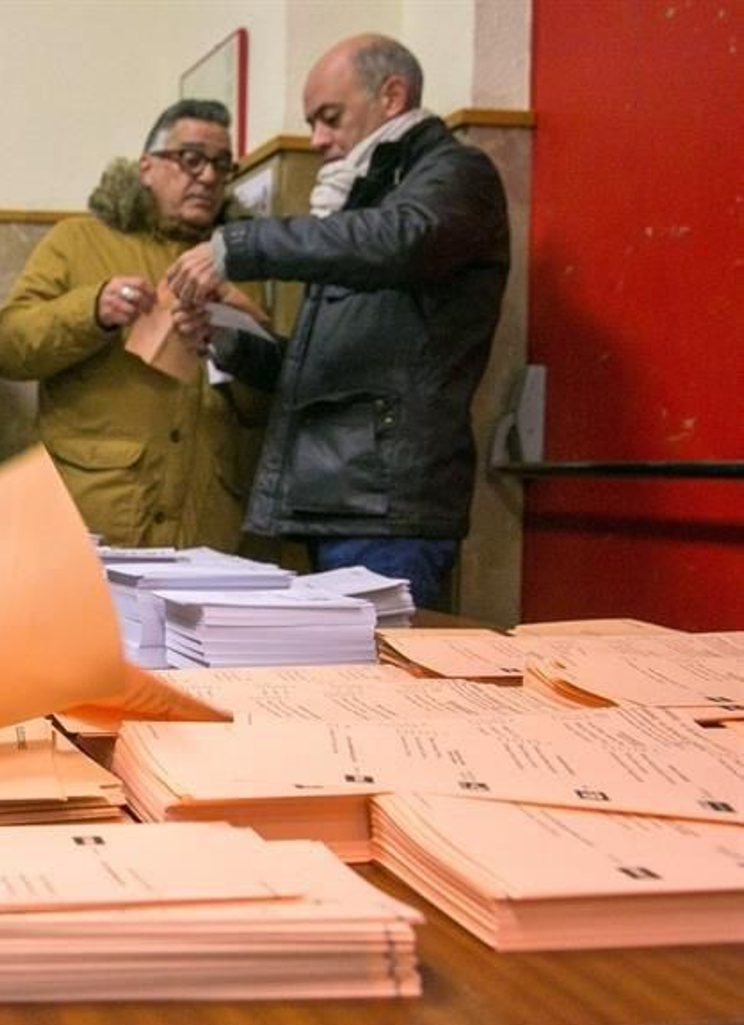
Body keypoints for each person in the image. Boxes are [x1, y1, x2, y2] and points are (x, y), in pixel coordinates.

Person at [166, 35, 509, 608]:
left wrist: (240, 246)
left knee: (381, 686)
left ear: (392, 96)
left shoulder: (455, 173)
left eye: (330, 118)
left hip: (388, 505)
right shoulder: (362, 199)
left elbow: (404, 239)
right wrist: (229, 340)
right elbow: (312, 368)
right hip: (338, 497)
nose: (318, 140)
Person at [0, 100, 268, 550]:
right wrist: (93, 310)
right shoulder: (77, 242)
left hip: (204, 534)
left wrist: (232, 336)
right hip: (90, 521)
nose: (209, 177)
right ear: (147, 167)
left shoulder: (242, 265)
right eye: (191, 159)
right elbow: (4, 347)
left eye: (221, 165)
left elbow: (262, 409)